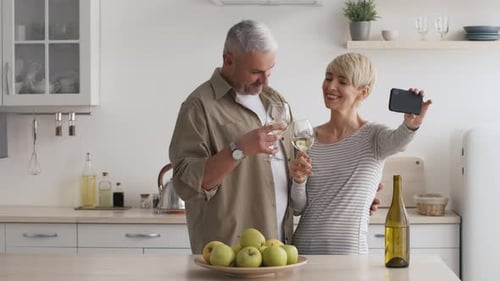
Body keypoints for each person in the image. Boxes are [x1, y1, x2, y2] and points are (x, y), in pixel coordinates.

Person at [169, 19, 295, 254]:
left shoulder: (275, 100)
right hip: (228, 253)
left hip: (278, 248)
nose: (266, 81)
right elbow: (186, 183)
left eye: (270, 70)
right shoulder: (199, 106)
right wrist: (239, 149)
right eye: (256, 72)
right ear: (228, 60)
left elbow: (296, 164)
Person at [289, 53, 432, 255]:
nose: (330, 86)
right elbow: (298, 208)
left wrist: (411, 124)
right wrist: (298, 180)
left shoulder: (374, 138)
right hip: (303, 251)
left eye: (342, 82)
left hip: (349, 253)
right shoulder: (307, 139)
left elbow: (400, 141)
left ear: (362, 93)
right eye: (328, 78)